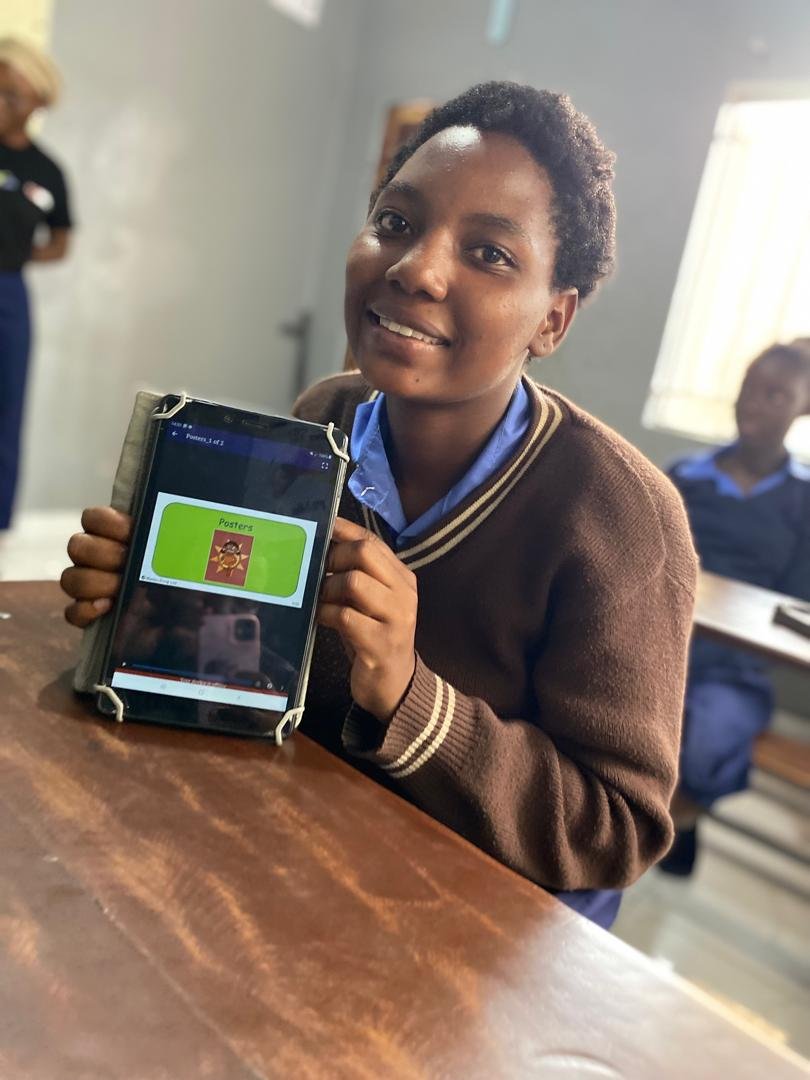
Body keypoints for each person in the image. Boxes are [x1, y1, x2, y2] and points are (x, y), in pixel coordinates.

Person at [61, 82, 697, 929]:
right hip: (301, 858)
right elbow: (257, 672)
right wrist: (152, 605)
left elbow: (615, 830)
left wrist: (407, 694)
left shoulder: (620, 516)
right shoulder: (323, 417)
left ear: (553, 319)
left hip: (475, 937)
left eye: (491, 254)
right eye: (396, 222)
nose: (417, 268)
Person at [661, 340, 810, 875]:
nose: (754, 405)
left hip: (736, 665)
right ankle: (655, 828)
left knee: (706, 738)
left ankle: (673, 825)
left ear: (802, 408)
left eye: (775, 395)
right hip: (661, 644)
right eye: (749, 390)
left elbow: (796, 605)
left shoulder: (803, 501)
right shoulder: (686, 477)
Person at [0, 37, 72, 530]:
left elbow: (61, 242)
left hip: (8, 294)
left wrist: (19, 253)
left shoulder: (46, 171)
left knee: (6, 407)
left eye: (13, 95)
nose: (2, 103)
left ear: (39, 102)